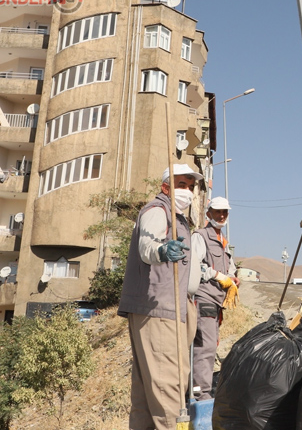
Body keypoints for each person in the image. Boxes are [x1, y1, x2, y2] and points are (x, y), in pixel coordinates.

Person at [118, 164, 204, 430]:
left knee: (147, 394)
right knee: (168, 389)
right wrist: (162, 250)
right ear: (166, 187)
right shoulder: (158, 210)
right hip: (159, 309)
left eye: (191, 187)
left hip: (174, 308)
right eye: (181, 185)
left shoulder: (179, 218)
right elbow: (148, 246)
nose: (187, 191)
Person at [190, 196, 240, 401]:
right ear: (208, 213)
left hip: (216, 301)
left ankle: (195, 391)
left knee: (210, 344)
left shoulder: (223, 241)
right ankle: (201, 395)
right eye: (217, 212)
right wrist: (218, 276)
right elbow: (195, 265)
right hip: (204, 297)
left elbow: (230, 268)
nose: (221, 215)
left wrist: (232, 279)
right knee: (206, 347)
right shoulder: (200, 236)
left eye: (224, 212)